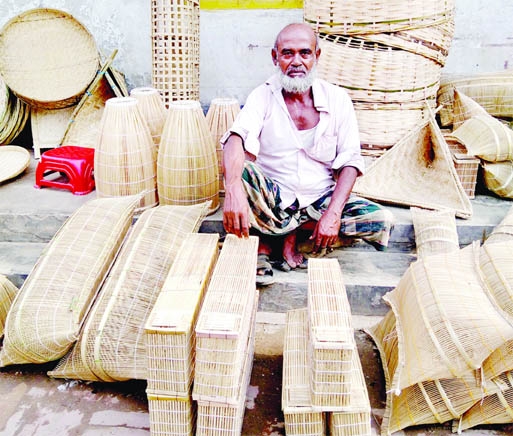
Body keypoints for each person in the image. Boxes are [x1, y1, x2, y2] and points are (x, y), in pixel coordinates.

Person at [221, 23, 394, 285]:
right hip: (274, 201)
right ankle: (281, 238)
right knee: (241, 169)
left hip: (318, 201)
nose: (296, 62)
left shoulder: (337, 99)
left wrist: (333, 214)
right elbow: (236, 139)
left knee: (380, 219)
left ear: (317, 56)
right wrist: (233, 189)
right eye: (287, 53)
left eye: (305, 53)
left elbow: (350, 161)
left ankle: (279, 238)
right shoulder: (263, 96)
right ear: (275, 57)